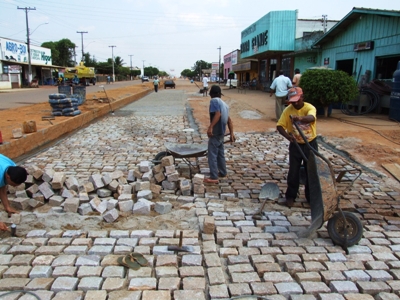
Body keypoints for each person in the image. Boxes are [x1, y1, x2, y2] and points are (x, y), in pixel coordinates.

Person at [276, 87, 318, 207]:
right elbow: (279, 126)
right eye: (292, 101)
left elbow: (311, 118)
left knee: (311, 171)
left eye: (297, 101)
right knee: (293, 172)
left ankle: (311, 198)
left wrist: (299, 118)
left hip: (310, 143)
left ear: (302, 98)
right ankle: (290, 197)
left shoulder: (309, 108)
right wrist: (288, 137)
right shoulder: (288, 110)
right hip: (295, 145)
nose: (295, 103)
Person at [204, 85, 235, 184]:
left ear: (212, 94)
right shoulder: (225, 104)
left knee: (212, 154)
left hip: (216, 132)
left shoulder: (214, 101)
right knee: (220, 154)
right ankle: (223, 172)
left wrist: (211, 127)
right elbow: (229, 120)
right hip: (222, 132)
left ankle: (213, 177)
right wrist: (231, 133)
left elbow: (218, 114)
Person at [0, 154, 28, 230]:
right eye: (14, 184)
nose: (15, 186)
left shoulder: (12, 166)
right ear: (8, 177)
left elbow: (2, 187)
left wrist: (7, 207)